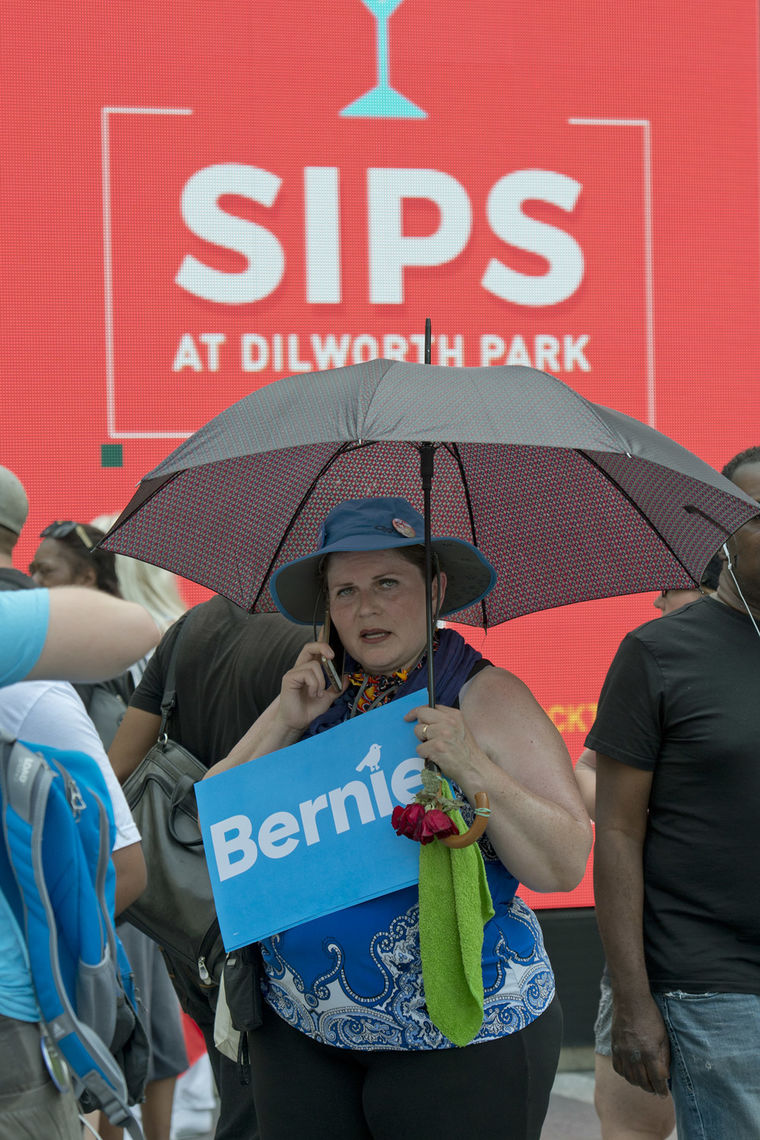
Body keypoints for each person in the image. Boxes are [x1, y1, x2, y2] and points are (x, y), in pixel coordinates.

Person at [204, 496, 592, 1140]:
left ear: (435, 589)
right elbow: (217, 831)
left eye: (389, 583)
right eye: (345, 591)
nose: (367, 607)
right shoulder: (317, 695)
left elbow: (565, 861)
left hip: (460, 1036)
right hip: (303, 1036)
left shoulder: (484, 693)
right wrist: (284, 718)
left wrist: (475, 768)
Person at [588, 446, 760, 1140]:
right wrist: (633, 1003)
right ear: (720, 529)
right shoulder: (659, 654)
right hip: (713, 985)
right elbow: (619, 833)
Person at [108, 595, 313, 1140]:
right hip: (278, 914)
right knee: (277, 1107)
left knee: (237, 1095)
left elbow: (120, 769)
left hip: (186, 912)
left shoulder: (192, 625)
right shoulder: (323, 640)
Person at [27, 519, 189, 1140]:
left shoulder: (97, 663)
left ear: (89, 577)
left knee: (130, 1017)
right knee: (130, 1016)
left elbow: (120, 769)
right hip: (105, 870)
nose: (33, 581)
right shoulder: (77, 661)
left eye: (47, 570)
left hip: (116, 872)